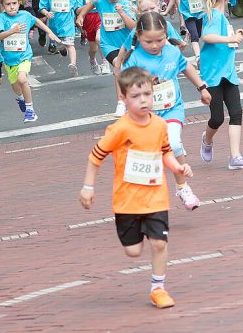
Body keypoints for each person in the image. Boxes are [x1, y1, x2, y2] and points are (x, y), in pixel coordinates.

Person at [78, 66, 193, 309]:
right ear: (123, 98)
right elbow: (95, 157)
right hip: (127, 200)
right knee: (133, 251)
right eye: (135, 96)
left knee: (160, 243)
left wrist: (178, 168)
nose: (143, 101)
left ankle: (158, 289)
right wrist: (88, 187)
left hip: (155, 197)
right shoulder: (119, 129)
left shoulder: (160, 124)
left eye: (147, 95)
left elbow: (166, 154)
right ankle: (137, 232)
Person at [120, 12, 211, 211]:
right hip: (145, 116)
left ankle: (182, 187)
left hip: (172, 109)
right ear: (138, 36)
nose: (154, 45)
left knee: (175, 144)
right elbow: (124, 83)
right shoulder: (134, 58)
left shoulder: (171, 52)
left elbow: (186, 67)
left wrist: (202, 88)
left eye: (159, 40)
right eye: (148, 41)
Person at [198, 0, 243, 170]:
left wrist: (233, 35)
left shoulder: (222, 17)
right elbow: (207, 36)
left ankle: (235, 157)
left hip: (228, 72)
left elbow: (221, 38)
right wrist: (231, 38)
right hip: (214, 74)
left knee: (236, 112)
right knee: (217, 118)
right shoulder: (214, 15)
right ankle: (207, 140)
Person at [0, 0, 61, 123]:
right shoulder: (1, 18)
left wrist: (50, 32)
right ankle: (20, 98)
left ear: (19, 3)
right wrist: (13, 31)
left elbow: (37, 21)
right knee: (15, 85)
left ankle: (30, 110)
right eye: (8, 4)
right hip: (9, 59)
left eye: (14, 3)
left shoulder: (25, 15)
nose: (12, 6)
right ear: (2, 5)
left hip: (24, 55)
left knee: (22, 79)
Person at [38, 0, 79, 74]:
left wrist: (78, 15)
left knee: (70, 45)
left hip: (68, 25)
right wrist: (46, 13)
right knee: (61, 45)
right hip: (55, 26)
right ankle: (62, 49)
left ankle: (73, 64)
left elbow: (75, 4)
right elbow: (41, 7)